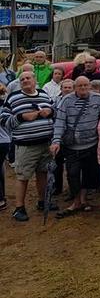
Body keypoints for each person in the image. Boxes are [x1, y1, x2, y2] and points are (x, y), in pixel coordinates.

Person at [0, 71, 57, 221]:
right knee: (23, 176)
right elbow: (3, 120)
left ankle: (43, 201)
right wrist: (22, 117)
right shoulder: (13, 97)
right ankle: (19, 208)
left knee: (43, 173)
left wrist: (50, 112)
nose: (25, 80)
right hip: (26, 145)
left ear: (35, 80)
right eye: (22, 79)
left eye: (28, 78)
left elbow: (54, 112)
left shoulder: (44, 94)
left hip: (45, 143)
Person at [51, 77, 100, 218]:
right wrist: (56, 141)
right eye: (80, 86)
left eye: (86, 85)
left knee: (88, 174)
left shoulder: (99, 99)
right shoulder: (66, 101)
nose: (83, 88)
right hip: (72, 146)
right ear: (75, 87)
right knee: (73, 174)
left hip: (92, 144)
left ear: (90, 86)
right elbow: (60, 122)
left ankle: (83, 200)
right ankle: (76, 202)